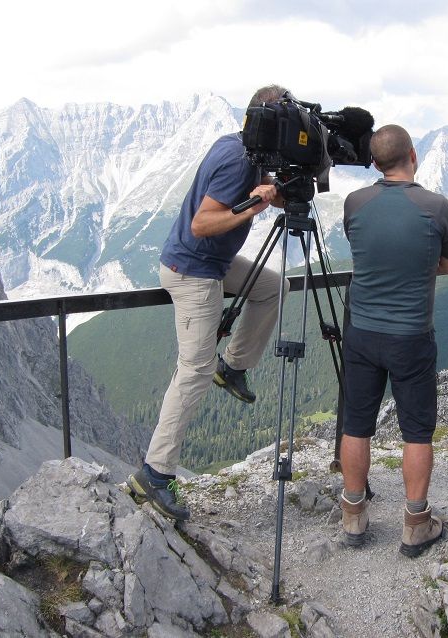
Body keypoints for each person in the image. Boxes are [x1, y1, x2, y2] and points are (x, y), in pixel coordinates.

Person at [129, 84, 291, 521]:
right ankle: (155, 473)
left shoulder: (243, 147)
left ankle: (233, 366)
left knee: (273, 286)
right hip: (195, 269)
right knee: (193, 370)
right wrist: (254, 204)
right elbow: (203, 224)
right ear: (266, 124)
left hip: (215, 262)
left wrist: (277, 186)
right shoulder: (238, 159)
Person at [338, 124, 448, 557]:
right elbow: (446, 264)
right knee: (417, 431)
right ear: (413, 153)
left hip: (362, 332)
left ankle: (353, 515)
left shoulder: (355, 202)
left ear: (374, 162)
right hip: (410, 335)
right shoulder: (435, 206)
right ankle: (415, 524)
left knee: (356, 424)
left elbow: (358, 244)